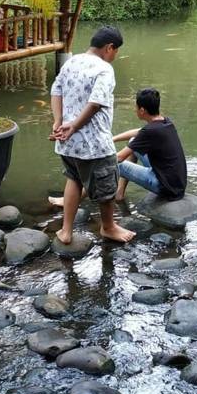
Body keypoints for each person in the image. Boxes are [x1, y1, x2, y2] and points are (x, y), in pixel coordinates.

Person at [49, 25, 135, 244]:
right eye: (116, 51)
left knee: (74, 179)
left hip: (67, 142)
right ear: (109, 47)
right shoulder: (104, 69)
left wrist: (59, 121)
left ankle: (66, 231)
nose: (115, 56)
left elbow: (55, 90)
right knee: (106, 188)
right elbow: (95, 103)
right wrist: (75, 126)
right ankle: (109, 227)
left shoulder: (71, 61)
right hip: (93, 144)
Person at [114, 88, 187, 201]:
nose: (135, 110)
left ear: (142, 110)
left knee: (115, 164)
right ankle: (119, 193)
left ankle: (97, 197)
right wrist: (112, 139)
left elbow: (118, 158)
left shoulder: (150, 131)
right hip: (176, 184)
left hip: (165, 187)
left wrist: (93, 161)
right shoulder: (165, 122)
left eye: (136, 107)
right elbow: (136, 134)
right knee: (133, 143)